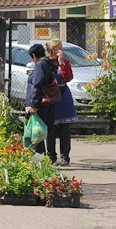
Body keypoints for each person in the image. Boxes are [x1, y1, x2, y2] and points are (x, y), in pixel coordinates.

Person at [45, 38, 78, 166]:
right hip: (50, 96)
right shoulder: (45, 63)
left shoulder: (65, 62)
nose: (62, 50)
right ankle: (51, 156)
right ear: (53, 50)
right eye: (59, 48)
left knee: (65, 129)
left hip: (63, 96)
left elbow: (68, 78)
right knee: (50, 129)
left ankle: (65, 157)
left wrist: (62, 64)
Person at [25, 43, 58, 156]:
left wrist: (33, 104)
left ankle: (40, 159)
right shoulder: (50, 63)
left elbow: (37, 84)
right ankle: (49, 156)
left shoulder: (40, 65)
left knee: (37, 131)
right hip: (49, 101)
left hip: (40, 103)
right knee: (47, 130)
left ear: (34, 55)